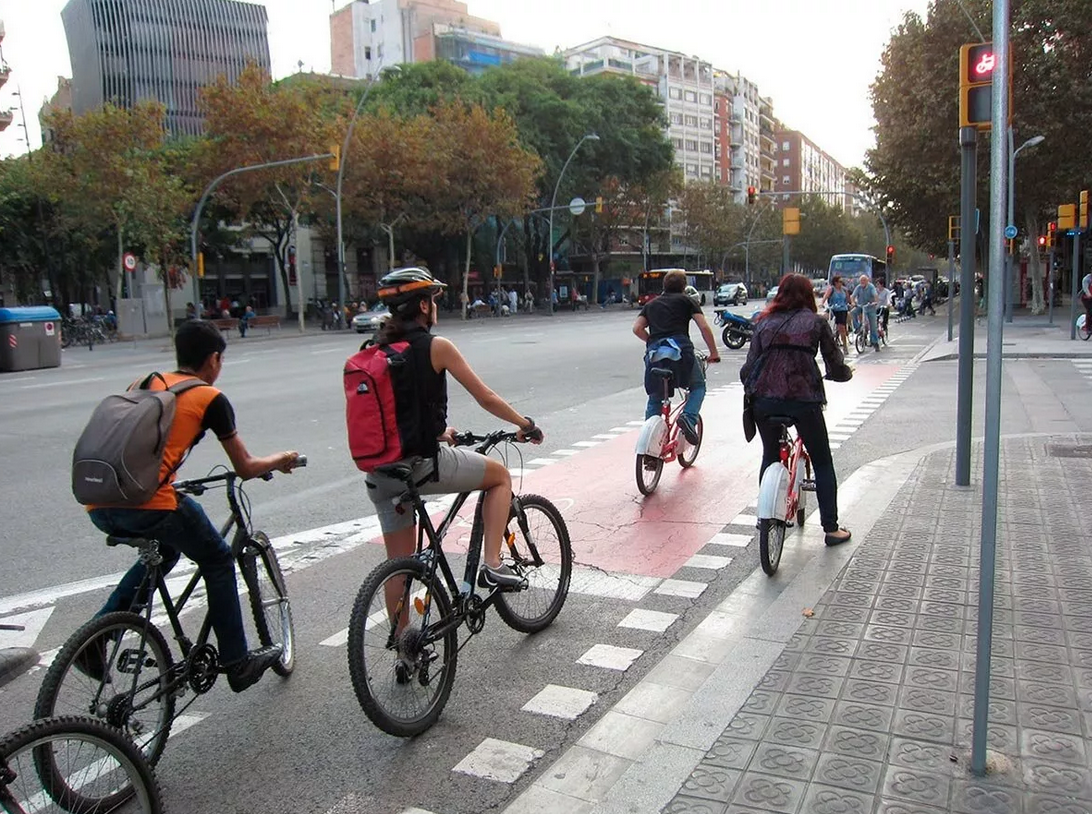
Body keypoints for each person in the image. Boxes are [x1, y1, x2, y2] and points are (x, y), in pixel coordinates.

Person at [82, 320, 301, 692]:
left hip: (99, 501)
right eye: (221, 360)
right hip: (149, 504)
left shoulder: (144, 383)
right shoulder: (209, 398)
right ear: (214, 359)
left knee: (166, 552)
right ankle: (237, 662)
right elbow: (245, 467)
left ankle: (99, 634)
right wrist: (280, 459)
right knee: (218, 559)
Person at [364, 268, 542, 589]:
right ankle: (493, 564)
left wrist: (439, 433)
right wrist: (524, 424)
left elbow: (393, 411)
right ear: (423, 306)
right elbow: (485, 398)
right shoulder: (436, 346)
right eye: (432, 300)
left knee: (398, 571)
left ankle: (400, 623)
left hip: (380, 474)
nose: (434, 306)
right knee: (500, 477)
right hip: (420, 466)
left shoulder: (374, 350)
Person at [740, 274, 853, 546]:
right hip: (803, 400)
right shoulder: (816, 322)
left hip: (764, 400)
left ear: (780, 293)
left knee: (770, 454)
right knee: (822, 461)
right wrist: (843, 374)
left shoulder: (764, 322)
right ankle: (831, 529)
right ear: (808, 295)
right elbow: (834, 362)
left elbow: (749, 367)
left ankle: (765, 517)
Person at [632, 270, 721, 444]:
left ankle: (650, 440)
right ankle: (688, 417)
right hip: (681, 354)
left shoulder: (651, 304)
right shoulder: (687, 301)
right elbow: (703, 327)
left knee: (655, 396)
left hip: (655, 356)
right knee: (698, 387)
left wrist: (651, 340)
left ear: (664, 285)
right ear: (684, 286)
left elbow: (637, 329)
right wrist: (714, 353)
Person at [850, 274, 880, 351]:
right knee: (852, 312)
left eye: (864, 280)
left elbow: (875, 295)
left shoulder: (871, 287)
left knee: (873, 325)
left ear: (867, 281)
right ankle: (857, 327)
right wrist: (853, 302)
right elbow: (852, 296)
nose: (862, 282)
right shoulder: (858, 287)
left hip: (870, 307)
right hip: (860, 306)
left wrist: (875, 302)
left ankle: (875, 342)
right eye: (861, 281)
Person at [821, 275, 850, 353]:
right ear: (835, 282)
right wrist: (822, 303)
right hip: (833, 309)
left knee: (842, 328)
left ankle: (845, 346)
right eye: (839, 282)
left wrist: (851, 303)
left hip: (842, 309)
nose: (841, 283)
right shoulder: (831, 289)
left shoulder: (844, 290)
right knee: (823, 317)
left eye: (842, 282)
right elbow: (825, 296)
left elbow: (848, 300)